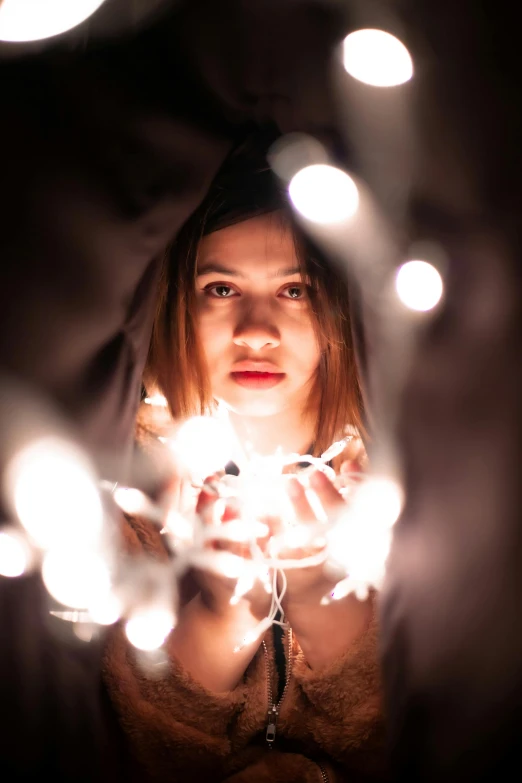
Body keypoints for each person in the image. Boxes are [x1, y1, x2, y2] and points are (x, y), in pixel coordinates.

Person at [102, 141, 387, 783]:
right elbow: (144, 752)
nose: (256, 330)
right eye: (221, 287)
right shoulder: (124, 497)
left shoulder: (397, 485)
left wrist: (315, 586)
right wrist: (225, 610)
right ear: (174, 301)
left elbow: (402, 736)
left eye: (294, 289)